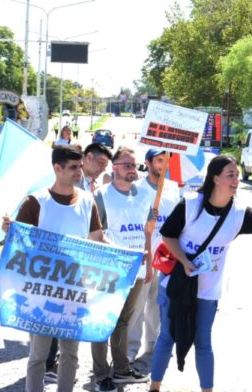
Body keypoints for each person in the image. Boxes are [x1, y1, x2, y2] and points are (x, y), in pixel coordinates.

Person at [149, 155, 252, 392]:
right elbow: (168, 235)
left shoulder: (239, 213)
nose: (236, 180)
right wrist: (184, 260)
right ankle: (154, 386)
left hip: (208, 290)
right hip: (176, 284)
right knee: (167, 336)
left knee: (204, 343)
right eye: (231, 175)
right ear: (215, 178)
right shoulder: (190, 204)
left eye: (237, 175)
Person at [7, 145, 106, 392]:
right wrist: (10, 231)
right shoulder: (35, 202)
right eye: (73, 168)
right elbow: (21, 243)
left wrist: (130, 256)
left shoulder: (87, 201)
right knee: (39, 355)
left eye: (80, 167)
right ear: (57, 168)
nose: (79, 173)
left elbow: (98, 239)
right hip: (41, 291)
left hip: (74, 289)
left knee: (70, 354)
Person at [88, 147, 153, 390]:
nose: (132, 170)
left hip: (137, 270)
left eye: (134, 166)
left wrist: (149, 263)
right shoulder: (101, 196)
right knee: (102, 319)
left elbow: (146, 230)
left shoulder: (144, 196)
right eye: (127, 165)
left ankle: (121, 369)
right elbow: (95, 233)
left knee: (123, 321)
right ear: (114, 168)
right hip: (111, 270)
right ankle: (100, 373)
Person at [128, 148, 182, 371]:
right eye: (159, 160)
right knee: (136, 305)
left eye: (166, 160)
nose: (163, 164)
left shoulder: (172, 187)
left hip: (166, 256)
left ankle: (153, 346)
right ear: (148, 163)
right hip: (143, 254)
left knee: (158, 304)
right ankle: (129, 350)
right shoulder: (137, 188)